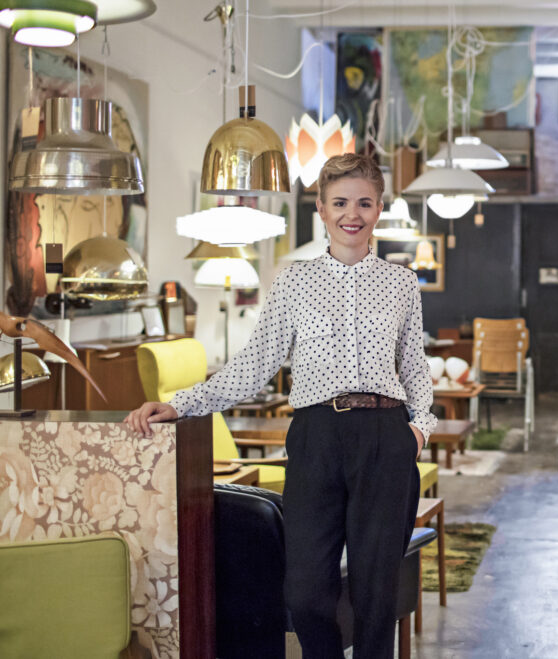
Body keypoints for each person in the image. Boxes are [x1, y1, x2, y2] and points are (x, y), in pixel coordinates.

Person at [125, 153, 436, 658]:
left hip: (386, 435)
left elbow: (414, 365)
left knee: (376, 594)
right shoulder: (294, 281)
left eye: (363, 202)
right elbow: (255, 364)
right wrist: (180, 404)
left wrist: (419, 429)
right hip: (315, 436)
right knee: (306, 593)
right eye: (339, 202)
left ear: (380, 208)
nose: (351, 214)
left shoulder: (401, 283)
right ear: (321, 208)